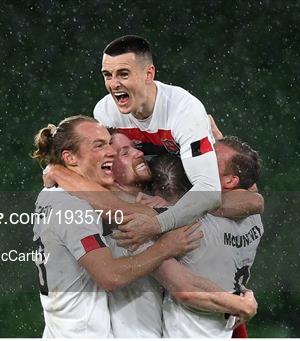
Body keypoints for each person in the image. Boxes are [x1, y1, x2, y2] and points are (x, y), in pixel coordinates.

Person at [30, 115, 203, 337]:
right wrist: (165, 248)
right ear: (70, 157)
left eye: (109, 144)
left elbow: (115, 205)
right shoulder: (71, 206)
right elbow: (110, 276)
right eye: (99, 145)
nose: (110, 151)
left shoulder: (50, 196)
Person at [98, 35, 223, 243]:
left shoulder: (184, 110)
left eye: (123, 74)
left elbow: (209, 192)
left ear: (149, 74)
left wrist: (157, 224)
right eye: (107, 75)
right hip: (152, 200)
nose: (114, 84)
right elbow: (102, 177)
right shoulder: (105, 112)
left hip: (191, 204)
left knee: (244, 201)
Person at [149, 136, 264, 338]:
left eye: (212, 158)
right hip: (222, 330)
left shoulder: (192, 221)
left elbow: (186, 291)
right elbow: (251, 187)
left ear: (230, 180)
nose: (203, 159)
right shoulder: (254, 218)